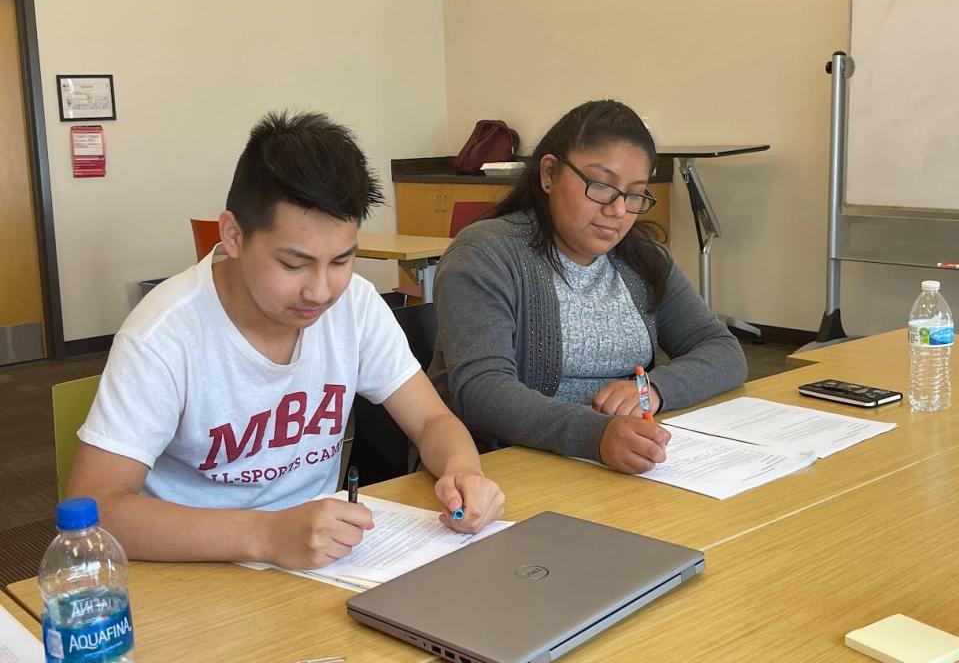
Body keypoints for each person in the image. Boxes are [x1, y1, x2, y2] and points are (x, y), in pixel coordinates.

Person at [68, 111, 505, 570]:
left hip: (320, 565)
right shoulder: (165, 334)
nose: (319, 291)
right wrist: (266, 534)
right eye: (294, 265)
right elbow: (95, 510)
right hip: (193, 569)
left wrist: (463, 472)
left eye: (340, 261)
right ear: (233, 235)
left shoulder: (353, 305)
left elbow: (432, 419)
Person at [429, 100, 747, 474]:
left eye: (634, 195)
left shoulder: (643, 258)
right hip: (499, 472)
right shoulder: (486, 254)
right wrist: (596, 436)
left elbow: (724, 351)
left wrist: (652, 392)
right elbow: (482, 392)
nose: (617, 210)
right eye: (601, 186)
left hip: (617, 466)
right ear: (549, 173)